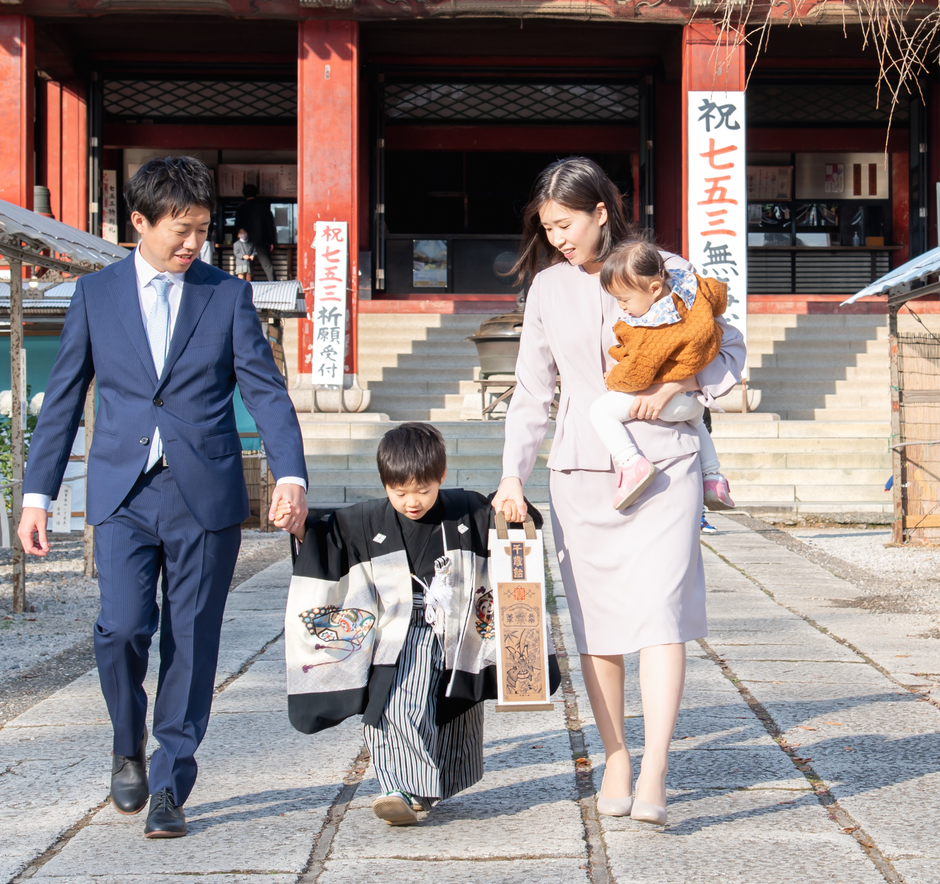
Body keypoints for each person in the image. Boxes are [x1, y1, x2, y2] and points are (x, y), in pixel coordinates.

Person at [18, 156, 309, 839]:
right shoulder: (95, 295)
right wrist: (37, 492)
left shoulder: (226, 295)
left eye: (202, 231)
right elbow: (61, 400)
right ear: (139, 223)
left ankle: (173, 775)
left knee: (191, 638)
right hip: (121, 489)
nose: (192, 245)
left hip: (203, 492)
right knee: (120, 627)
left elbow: (264, 390)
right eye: (180, 231)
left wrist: (290, 474)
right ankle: (127, 741)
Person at [492, 157, 744, 827]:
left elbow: (728, 346)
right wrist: (512, 473)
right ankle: (616, 755)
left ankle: (657, 762)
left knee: (662, 612)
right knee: (597, 625)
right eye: (548, 228)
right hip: (580, 468)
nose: (558, 238)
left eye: (566, 223)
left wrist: (677, 387)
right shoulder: (546, 288)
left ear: (602, 209)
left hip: (663, 464)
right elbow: (531, 391)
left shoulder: (671, 267)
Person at [284, 422, 552, 826]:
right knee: (393, 704)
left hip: (453, 632)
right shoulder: (366, 517)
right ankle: (402, 789)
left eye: (423, 491)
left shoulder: (467, 508)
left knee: (444, 709)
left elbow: (512, 527)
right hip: (393, 632)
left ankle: (417, 788)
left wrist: (512, 506)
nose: (412, 502)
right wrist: (298, 525)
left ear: (441, 478)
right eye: (400, 492)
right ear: (384, 483)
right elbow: (326, 537)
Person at [590, 237, 735, 512]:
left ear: (654, 288)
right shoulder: (691, 289)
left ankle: (631, 464)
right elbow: (717, 293)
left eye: (624, 299)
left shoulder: (652, 327)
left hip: (666, 403)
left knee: (600, 411)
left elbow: (637, 375)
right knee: (699, 425)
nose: (621, 306)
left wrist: (613, 378)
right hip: (692, 400)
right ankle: (714, 478)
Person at [234, 183, 278, 281]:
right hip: (261, 241)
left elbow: (237, 226)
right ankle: (274, 286)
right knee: (267, 266)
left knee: (247, 268)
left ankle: (247, 288)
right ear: (256, 194)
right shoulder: (264, 208)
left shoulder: (241, 209)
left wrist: (237, 242)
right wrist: (271, 241)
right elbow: (270, 225)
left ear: (244, 195)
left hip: (245, 242)